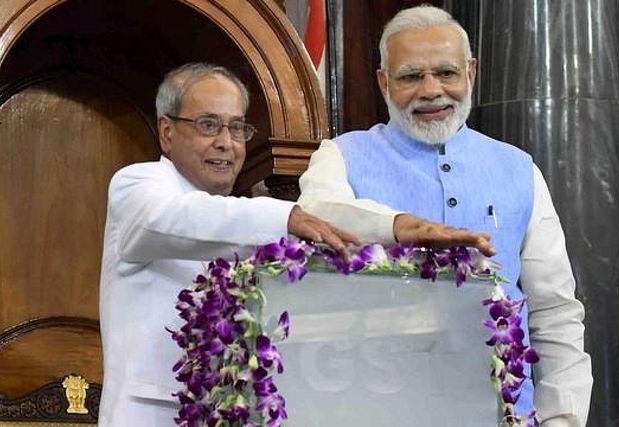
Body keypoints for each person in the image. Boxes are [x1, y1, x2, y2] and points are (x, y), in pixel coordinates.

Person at [98, 62, 496, 426]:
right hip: (155, 414)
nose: (226, 142)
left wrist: (396, 228)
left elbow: (319, 227)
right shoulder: (138, 185)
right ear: (167, 131)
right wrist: (288, 217)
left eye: (237, 128)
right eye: (208, 125)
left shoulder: (246, 214)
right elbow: (182, 218)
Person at [298, 4, 593, 427]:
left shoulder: (519, 169)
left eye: (447, 73)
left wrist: (562, 418)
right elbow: (318, 215)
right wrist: (399, 227)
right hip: (374, 410)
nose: (431, 90)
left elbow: (554, 311)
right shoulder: (341, 156)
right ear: (383, 82)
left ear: (470, 73)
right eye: (411, 76)